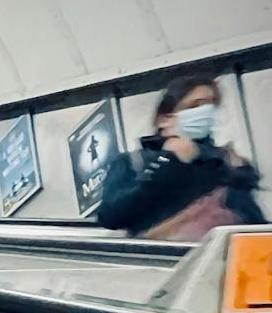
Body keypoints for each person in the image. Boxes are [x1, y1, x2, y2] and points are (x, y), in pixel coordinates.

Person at [97, 73, 264, 239]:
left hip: (223, 260)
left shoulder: (227, 163)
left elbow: (252, 224)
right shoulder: (133, 163)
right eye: (194, 106)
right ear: (164, 119)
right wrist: (170, 162)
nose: (205, 112)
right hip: (164, 261)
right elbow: (111, 217)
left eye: (211, 105)